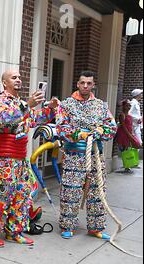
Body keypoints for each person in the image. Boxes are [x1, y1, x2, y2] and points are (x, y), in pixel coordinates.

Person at [0, 70, 58, 246]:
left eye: (19, 77)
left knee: (22, 196)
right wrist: (28, 104)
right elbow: (4, 119)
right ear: (4, 83)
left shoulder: (22, 103)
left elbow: (35, 119)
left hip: (20, 160)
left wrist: (51, 109)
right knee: (0, 197)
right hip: (4, 159)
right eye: (13, 77)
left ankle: (14, 231)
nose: (18, 79)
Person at [56, 70, 117, 240]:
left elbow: (112, 127)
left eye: (89, 83)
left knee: (97, 193)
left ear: (93, 85)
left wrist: (100, 130)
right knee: (71, 192)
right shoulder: (66, 104)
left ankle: (95, 228)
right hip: (74, 155)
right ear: (77, 83)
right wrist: (79, 134)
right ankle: (68, 226)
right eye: (82, 82)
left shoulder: (101, 105)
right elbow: (61, 127)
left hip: (95, 155)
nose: (85, 86)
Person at [115, 99, 142, 173]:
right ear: (124, 106)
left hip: (129, 134)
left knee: (129, 148)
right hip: (123, 135)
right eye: (127, 105)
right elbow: (123, 127)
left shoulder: (129, 115)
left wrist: (132, 134)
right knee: (124, 150)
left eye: (130, 105)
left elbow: (131, 126)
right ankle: (127, 165)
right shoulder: (122, 115)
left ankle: (128, 165)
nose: (129, 107)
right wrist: (130, 136)